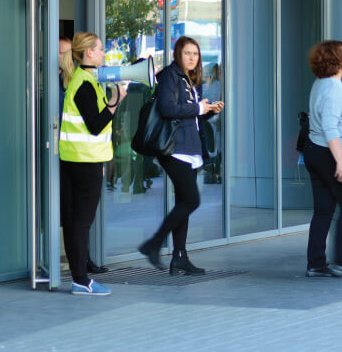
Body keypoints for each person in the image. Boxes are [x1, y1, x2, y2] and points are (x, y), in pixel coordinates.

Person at [138, 36, 223, 274]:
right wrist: (198, 108)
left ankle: (179, 256)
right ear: (178, 54)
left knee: (184, 202)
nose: (192, 58)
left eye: (195, 54)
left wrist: (207, 111)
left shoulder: (188, 79)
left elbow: (187, 116)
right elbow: (167, 109)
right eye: (187, 53)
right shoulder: (170, 75)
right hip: (175, 149)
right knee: (191, 200)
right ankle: (153, 244)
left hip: (189, 147)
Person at [59, 32, 126, 295]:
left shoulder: (82, 80)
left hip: (78, 159)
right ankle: (81, 280)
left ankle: (79, 277)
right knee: (81, 221)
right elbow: (96, 125)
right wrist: (115, 102)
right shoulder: (84, 83)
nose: (103, 53)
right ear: (88, 53)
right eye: (99, 49)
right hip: (85, 161)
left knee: (76, 219)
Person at [302, 40, 342, 279]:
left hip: (314, 151)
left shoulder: (320, 84)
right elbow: (330, 126)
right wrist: (340, 161)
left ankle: (316, 263)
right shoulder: (333, 88)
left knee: (323, 210)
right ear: (337, 59)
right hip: (330, 153)